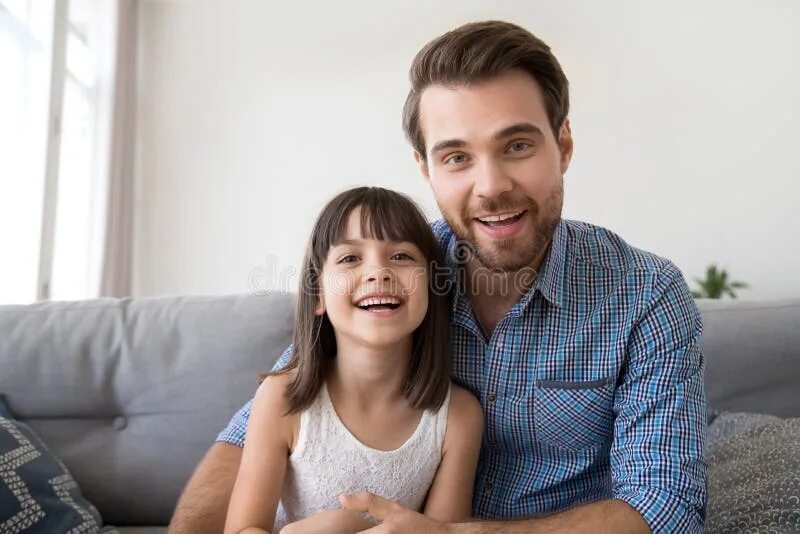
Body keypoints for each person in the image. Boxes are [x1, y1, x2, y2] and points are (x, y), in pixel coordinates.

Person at [171, 20, 706, 534]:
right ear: (425, 168)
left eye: (517, 146)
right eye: (456, 157)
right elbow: (253, 434)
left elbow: (666, 508)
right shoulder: (390, 276)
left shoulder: (645, 294)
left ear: (562, 144)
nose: (490, 186)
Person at [223, 187, 483, 534]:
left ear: (433, 289)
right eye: (350, 258)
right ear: (318, 294)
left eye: (402, 256)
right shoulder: (282, 398)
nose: (379, 272)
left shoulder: (459, 416)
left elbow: (442, 532)